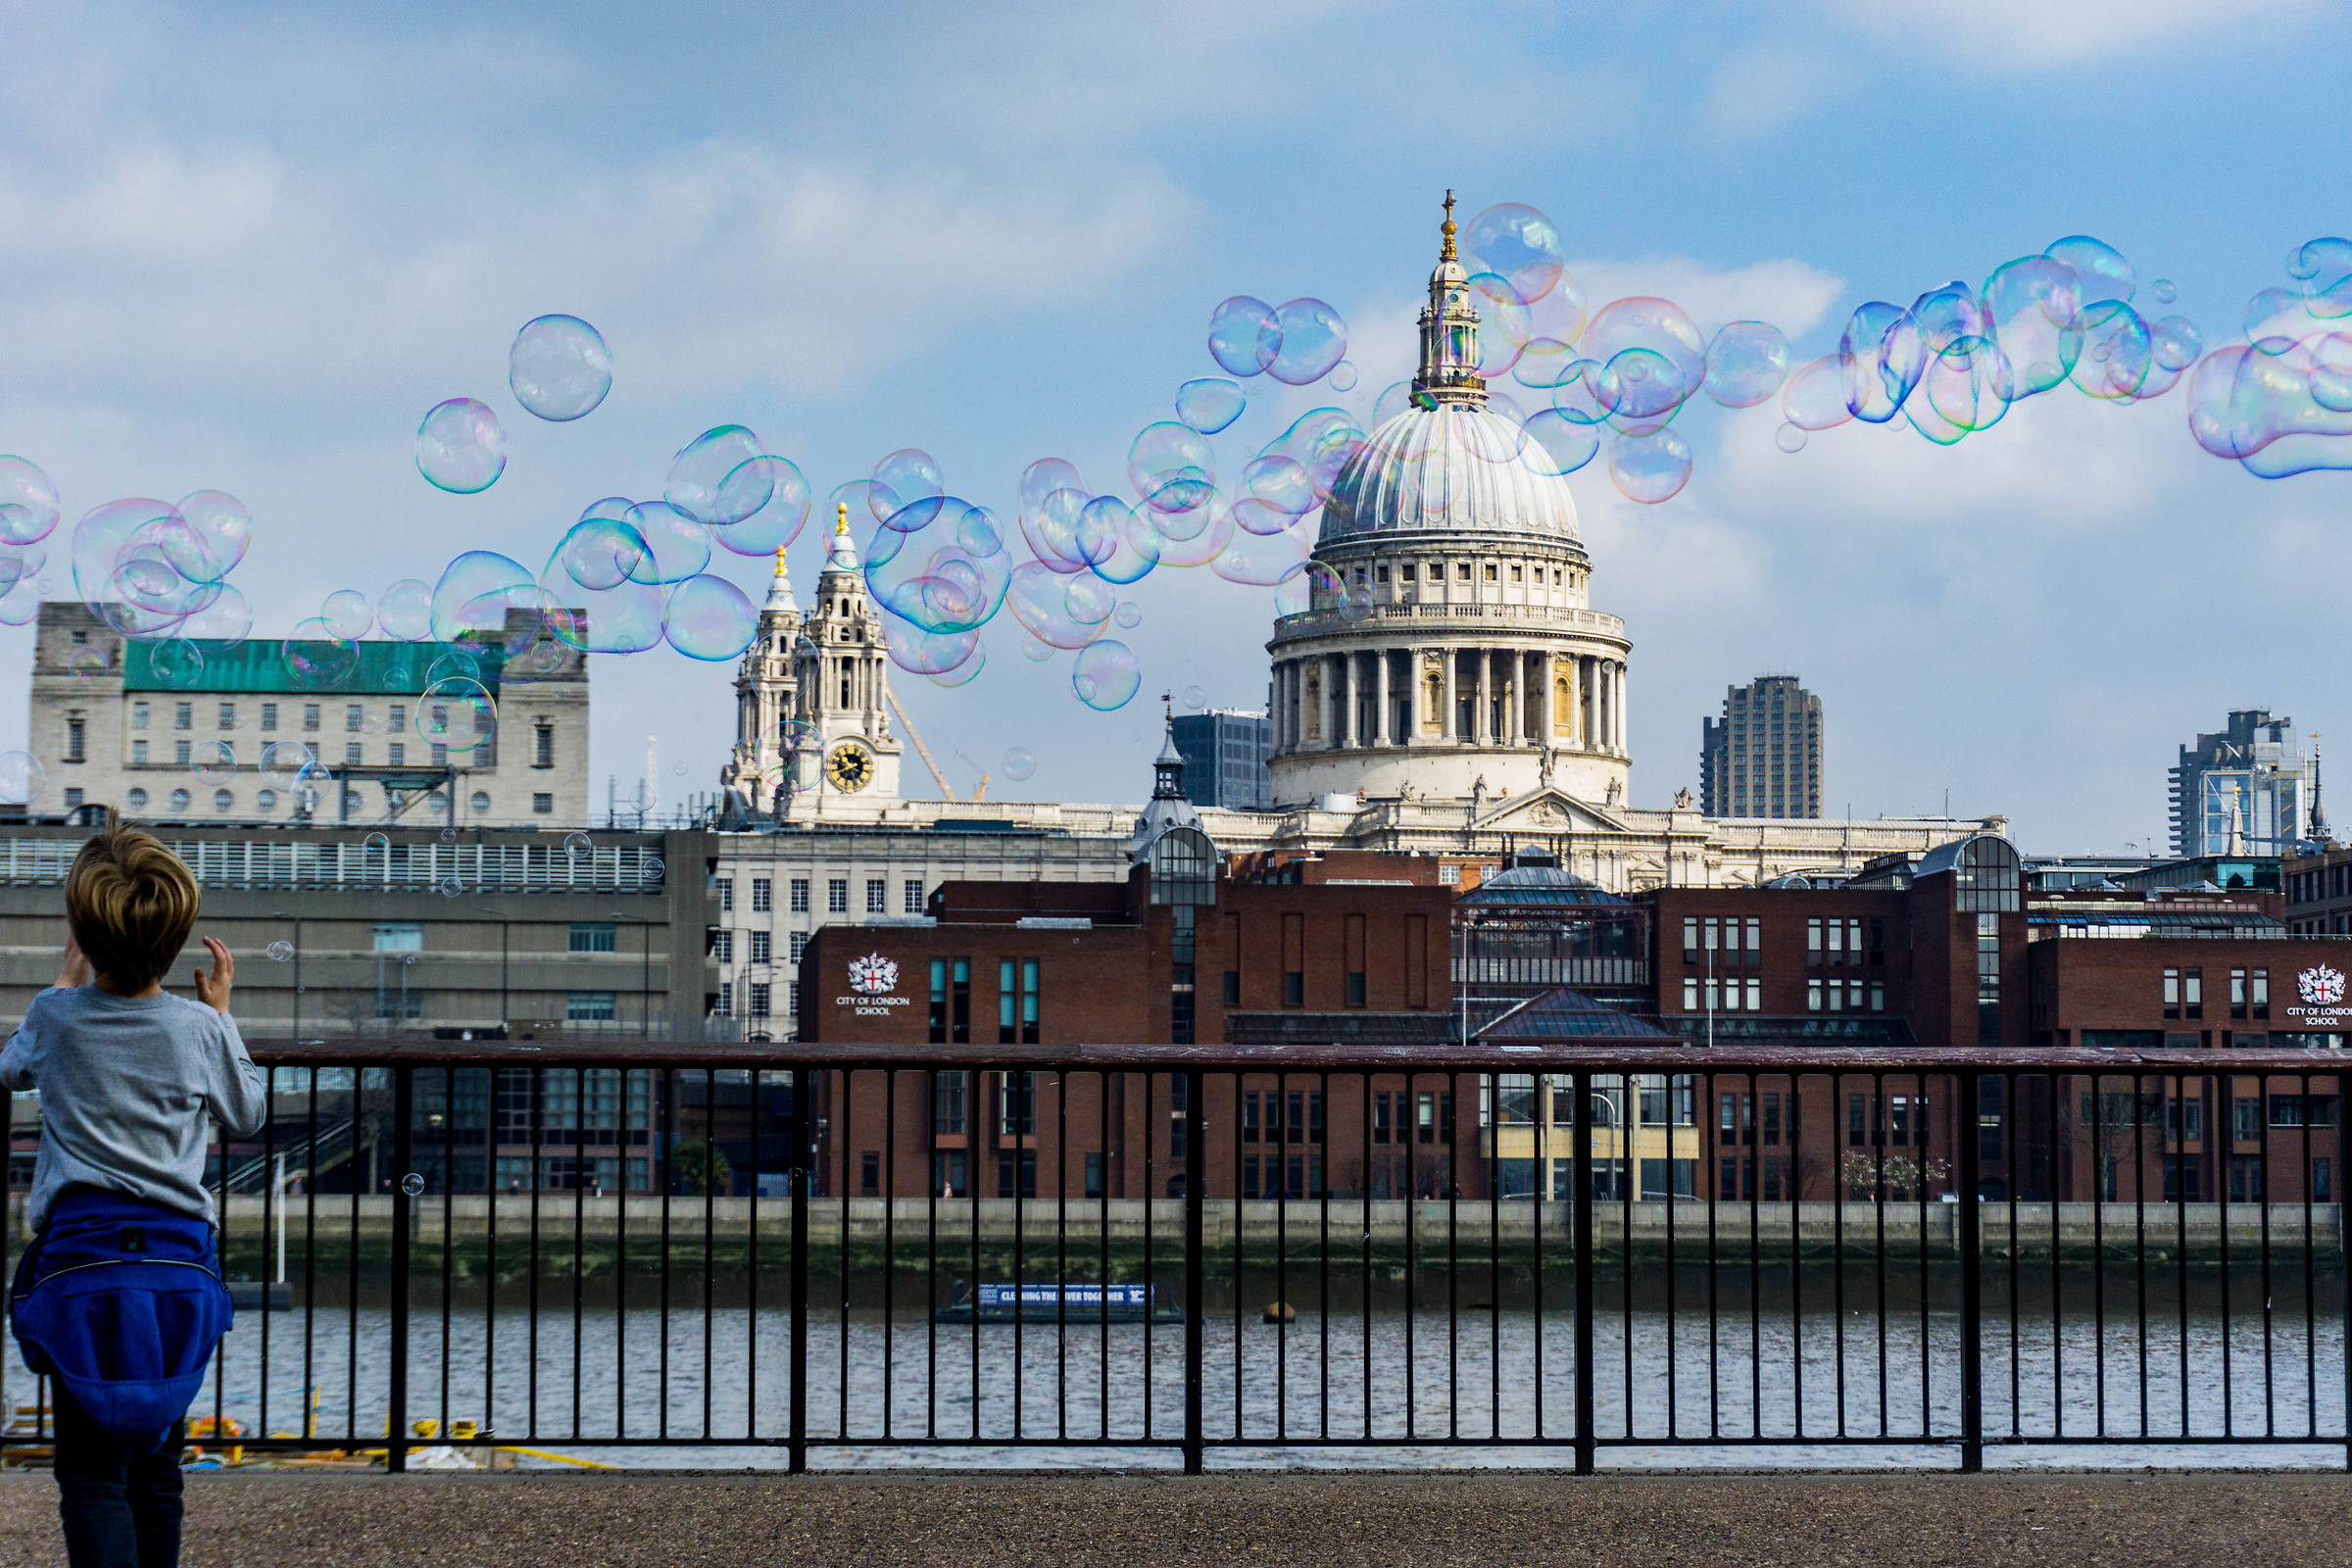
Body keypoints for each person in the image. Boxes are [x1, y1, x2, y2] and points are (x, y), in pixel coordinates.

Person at [1, 828, 266, 1568]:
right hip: (176, 1272)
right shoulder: (197, 1028)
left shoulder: (56, 1017)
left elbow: (10, 1069)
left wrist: (61, 987)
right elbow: (248, 1112)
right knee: (157, 1469)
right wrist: (221, 1015)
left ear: (85, 935)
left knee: (92, 1475)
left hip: (80, 1267)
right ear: (175, 940)